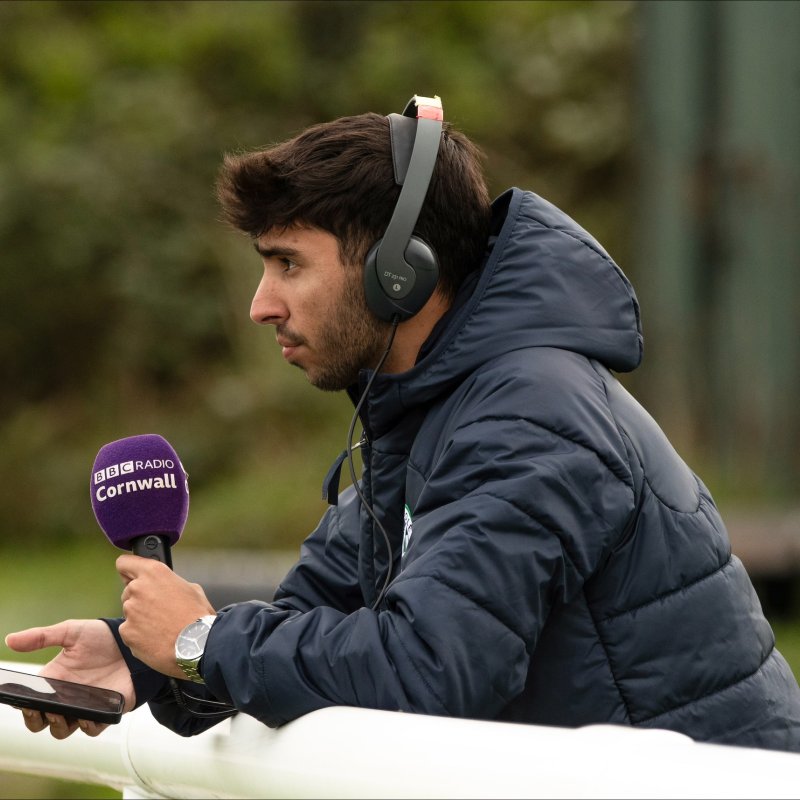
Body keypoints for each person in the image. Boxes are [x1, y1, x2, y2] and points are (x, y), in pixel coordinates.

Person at [7, 95, 800, 751]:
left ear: (399, 273)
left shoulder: (530, 414)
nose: (260, 304)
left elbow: (431, 672)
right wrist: (144, 663)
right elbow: (307, 625)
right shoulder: (424, 415)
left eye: (288, 262)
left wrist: (201, 642)